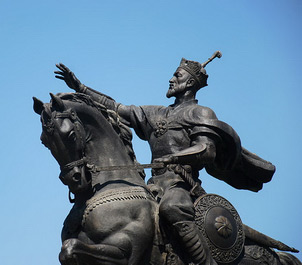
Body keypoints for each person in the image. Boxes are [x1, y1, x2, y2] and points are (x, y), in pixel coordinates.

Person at [54, 52, 275, 265]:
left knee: (171, 207)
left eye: (177, 76)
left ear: (190, 83)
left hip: (180, 185)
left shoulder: (202, 113)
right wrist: (80, 87)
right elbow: (116, 108)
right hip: (153, 186)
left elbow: (207, 150)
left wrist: (175, 158)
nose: (171, 79)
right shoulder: (155, 113)